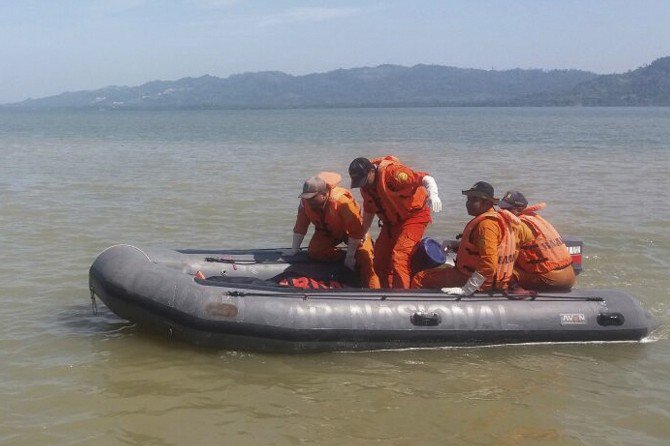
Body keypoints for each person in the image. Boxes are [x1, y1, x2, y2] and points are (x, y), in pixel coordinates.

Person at [348, 156, 442, 289]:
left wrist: (434, 194)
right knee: (379, 259)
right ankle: (386, 292)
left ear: (371, 172)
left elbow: (425, 178)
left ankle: (403, 296)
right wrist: (361, 235)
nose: (363, 185)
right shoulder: (366, 188)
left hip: (414, 217)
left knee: (399, 256)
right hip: (391, 223)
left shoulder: (394, 174)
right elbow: (369, 213)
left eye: (363, 180)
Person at [410, 181, 518, 295]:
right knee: (442, 268)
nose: (468, 204)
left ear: (487, 203)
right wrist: (457, 245)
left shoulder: (486, 226)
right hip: (491, 279)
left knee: (420, 278)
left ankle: (418, 308)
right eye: (468, 199)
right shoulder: (496, 219)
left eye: (474, 200)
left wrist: (467, 289)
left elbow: (489, 264)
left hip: (474, 280)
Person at [291, 172, 380, 289]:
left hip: (355, 235)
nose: (308, 201)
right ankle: (345, 262)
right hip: (328, 232)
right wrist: (294, 250)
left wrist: (351, 256)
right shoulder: (305, 203)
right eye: (306, 197)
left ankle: (375, 291)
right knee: (314, 252)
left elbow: (356, 231)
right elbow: (300, 226)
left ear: (324, 194)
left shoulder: (342, 201)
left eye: (312, 198)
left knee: (365, 259)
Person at [498, 191, 576, 291]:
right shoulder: (537, 219)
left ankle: (515, 289)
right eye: (502, 208)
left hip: (551, 280)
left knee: (499, 271)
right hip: (570, 276)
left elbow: (506, 257)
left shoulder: (517, 225)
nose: (503, 211)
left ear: (520, 209)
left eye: (508, 209)